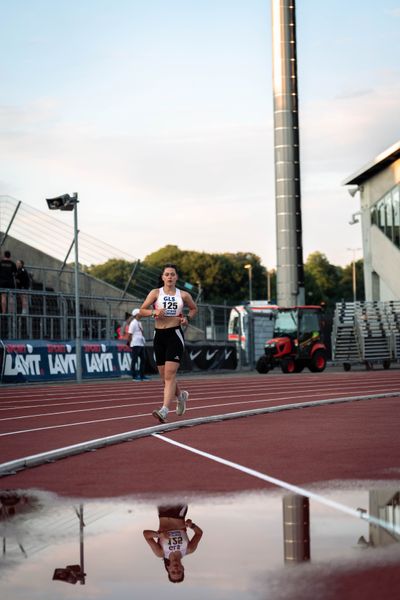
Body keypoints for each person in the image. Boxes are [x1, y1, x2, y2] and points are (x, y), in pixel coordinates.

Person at [139, 263, 197, 423]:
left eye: (172, 274)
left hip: (174, 335)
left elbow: (193, 308)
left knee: (170, 375)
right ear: (163, 277)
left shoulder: (183, 295)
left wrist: (187, 318)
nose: (170, 277)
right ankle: (181, 396)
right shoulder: (155, 293)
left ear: (176, 277)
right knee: (164, 378)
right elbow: (141, 310)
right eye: (167, 274)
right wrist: (153, 312)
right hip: (159, 335)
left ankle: (164, 410)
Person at [143, 504, 203, 584]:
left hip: (163, 513)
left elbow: (146, 535)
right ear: (182, 569)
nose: (176, 569)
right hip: (179, 513)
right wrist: (192, 525)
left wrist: (158, 535)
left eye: (173, 572)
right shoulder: (189, 549)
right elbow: (199, 533)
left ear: (168, 568)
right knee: (179, 493)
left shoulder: (160, 553)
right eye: (179, 572)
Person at [127, 308, 150, 381]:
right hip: (135, 344)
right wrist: (130, 343)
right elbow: (130, 334)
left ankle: (142, 375)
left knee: (143, 359)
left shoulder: (139, 322)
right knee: (134, 360)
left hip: (140, 343)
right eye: (140, 313)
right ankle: (134, 376)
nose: (141, 314)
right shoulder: (133, 323)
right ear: (136, 314)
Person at [0, 250, 17, 314]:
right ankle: (11, 312)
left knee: (3, 296)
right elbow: (15, 273)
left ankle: (4, 312)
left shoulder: (1, 263)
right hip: (10, 282)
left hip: (2, 281)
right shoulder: (12, 263)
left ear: (4, 255)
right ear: (10, 256)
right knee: (11, 296)